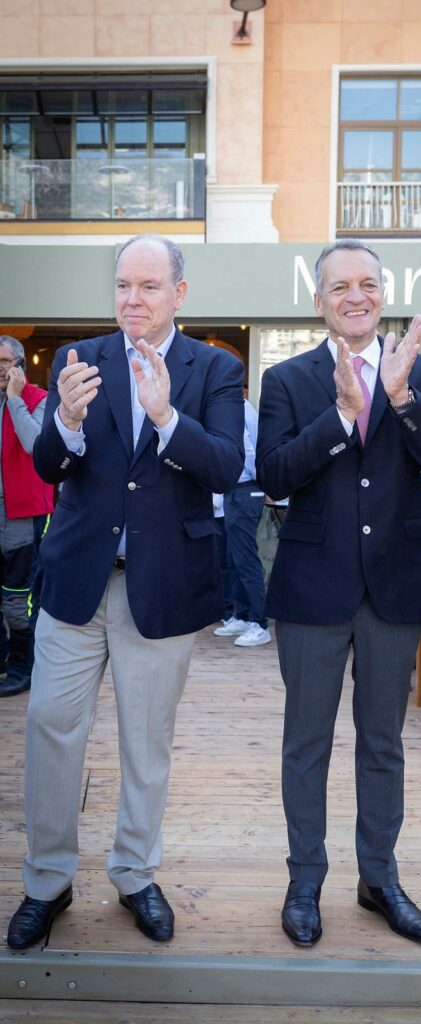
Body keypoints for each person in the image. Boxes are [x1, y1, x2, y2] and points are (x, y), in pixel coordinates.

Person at [7, 234, 245, 951]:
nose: (131, 300)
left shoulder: (215, 367)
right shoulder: (81, 359)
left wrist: (169, 418)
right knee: (50, 729)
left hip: (163, 586)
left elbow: (228, 468)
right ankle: (47, 881)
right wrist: (68, 424)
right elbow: (48, 465)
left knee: (147, 743)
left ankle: (135, 873)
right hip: (77, 579)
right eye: (122, 286)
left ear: (180, 292)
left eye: (147, 286)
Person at [257, 239, 421, 948]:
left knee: (383, 743)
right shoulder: (287, 379)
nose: (355, 295)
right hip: (312, 589)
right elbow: (276, 476)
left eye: (368, 283)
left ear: (383, 293)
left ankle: (379, 879)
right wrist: (343, 417)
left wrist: (401, 397)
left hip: (396, 587)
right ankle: (304, 879)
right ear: (318, 301)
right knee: (306, 743)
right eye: (340, 285)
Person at [0, 336, 53, 698]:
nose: (0, 368)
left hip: (22, 512)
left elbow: (35, 444)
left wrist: (15, 399)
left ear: (20, 365)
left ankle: (23, 668)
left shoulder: (41, 400)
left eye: (4, 361)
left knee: (18, 600)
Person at [215, 398, 270, 647]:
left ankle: (260, 623)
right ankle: (242, 616)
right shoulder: (228, 406)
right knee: (232, 558)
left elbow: (249, 448)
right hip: (233, 489)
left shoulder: (237, 406)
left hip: (247, 488)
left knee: (245, 558)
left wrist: (262, 482)